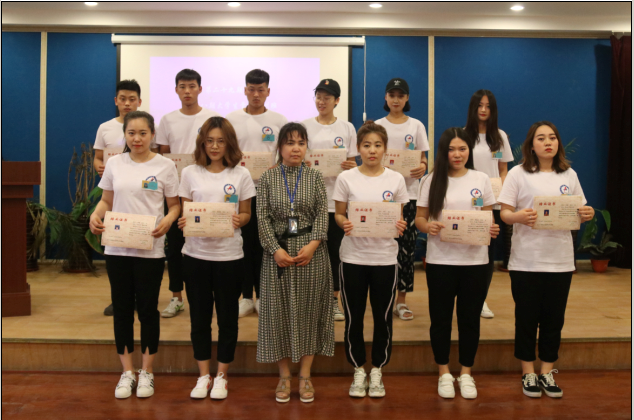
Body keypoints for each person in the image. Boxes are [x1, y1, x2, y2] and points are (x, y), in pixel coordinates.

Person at [498, 121, 594, 399]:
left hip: (560, 260)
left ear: (558, 143)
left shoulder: (569, 174)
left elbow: (579, 210)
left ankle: (547, 372)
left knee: (554, 319)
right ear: (531, 145)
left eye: (552, 137)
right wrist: (518, 216)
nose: (548, 142)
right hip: (526, 260)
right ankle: (528, 371)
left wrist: (586, 214)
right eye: (541, 138)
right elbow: (505, 213)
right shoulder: (517, 174)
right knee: (526, 318)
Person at [89, 111, 180, 399]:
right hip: (117, 248)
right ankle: (127, 372)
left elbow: (174, 205)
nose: (137, 139)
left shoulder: (165, 166)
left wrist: (168, 220)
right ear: (125, 135)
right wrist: (95, 215)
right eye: (131, 133)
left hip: (149, 250)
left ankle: (147, 372)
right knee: (122, 310)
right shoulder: (115, 163)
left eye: (142, 133)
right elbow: (106, 200)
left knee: (148, 311)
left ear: (152, 135)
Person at [415, 127, 499, 400]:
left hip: (475, 262)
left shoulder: (480, 178)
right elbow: (420, 219)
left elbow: (487, 216)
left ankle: (466, 373)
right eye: (451, 149)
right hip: (441, 261)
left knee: (469, 319)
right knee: (440, 319)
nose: (457, 154)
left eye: (462, 149)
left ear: (469, 151)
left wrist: (492, 228)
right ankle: (444, 372)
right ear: (443, 152)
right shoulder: (431, 180)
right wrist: (428, 227)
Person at [177, 117, 255, 400]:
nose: (214, 146)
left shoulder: (240, 174)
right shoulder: (190, 173)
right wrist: (184, 221)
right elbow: (185, 211)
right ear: (202, 143)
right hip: (195, 256)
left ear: (229, 143)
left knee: (227, 319)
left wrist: (238, 220)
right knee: (199, 319)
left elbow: (246, 214)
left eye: (221, 141)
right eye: (209, 140)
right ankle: (203, 376)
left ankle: (221, 375)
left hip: (229, 257)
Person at [256, 122, 334, 404]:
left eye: (301, 143)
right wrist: (274, 249)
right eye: (290, 143)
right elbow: (262, 217)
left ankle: (305, 375)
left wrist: (313, 245)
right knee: (277, 314)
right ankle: (284, 376)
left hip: (310, 255)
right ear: (280, 147)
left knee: (310, 312)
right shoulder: (267, 177)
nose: (296, 148)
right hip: (277, 256)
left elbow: (322, 214)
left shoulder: (314, 176)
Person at [333, 121, 408, 398]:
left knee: (383, 317)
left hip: (384, 259)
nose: (372, 150)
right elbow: (338, 214)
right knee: (353, 317)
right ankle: (358, 369)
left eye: (377, 145)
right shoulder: (346, 178)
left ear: (385, 148)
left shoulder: (396, 180)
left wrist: (400, 225)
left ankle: (377, 369)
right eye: (366, 145)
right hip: (353, 258)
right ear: (358, 148)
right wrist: (343, 223)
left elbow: (399, 217)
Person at [156, 69, 221, 318]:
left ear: (200, 89)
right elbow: (164, 155)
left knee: (205, 239)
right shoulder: (167, 120)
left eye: (192, 86)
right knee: (175, 245)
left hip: (204, 189)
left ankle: (208, 296)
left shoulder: (211, 119)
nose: (187, 91)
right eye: (182, 86)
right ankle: (176, 297)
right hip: (174, 191)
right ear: (176, 90)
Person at [226, 69, 288, 317]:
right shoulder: (231, 119)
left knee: (265, 244)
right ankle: (245, 296)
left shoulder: (279, 120)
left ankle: (263, 296)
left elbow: (285, 153)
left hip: (268, 191)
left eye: (260, 90)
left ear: (268, 91)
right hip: (239, 192)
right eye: (251, 89)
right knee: (244, 243)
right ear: (245, 90)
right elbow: (226, 151)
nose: (256, 94)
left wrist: (278, 165)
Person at [93, 79, 153, 317]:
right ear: (116, 101)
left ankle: (142, 300)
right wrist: (100, 167)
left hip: (142, 193)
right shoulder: (105, 127)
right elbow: (98, 157)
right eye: (122, 99)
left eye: (132, 99)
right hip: (115, 191)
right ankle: (119, 300)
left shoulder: (146, 126)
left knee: (142, 255)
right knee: (118, 252)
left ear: (139, 101)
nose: (127, 103)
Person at [301, 78, 358, 322]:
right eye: (318, 97)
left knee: (335, 252)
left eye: (327, 97)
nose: (321, 101)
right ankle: (310, 301)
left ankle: (334, 300)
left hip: (337, 202)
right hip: (308, 201)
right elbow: (295, 156)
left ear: (337, 100)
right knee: (308, 251)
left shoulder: (347, 128)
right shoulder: (303, 126)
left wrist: (350, 165)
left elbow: (354, 162)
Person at [376, 78, 429, 321]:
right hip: (380, 196)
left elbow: (423, 158)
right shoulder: (377, 125)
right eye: (392, 95)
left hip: (409, 196)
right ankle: (382, 298)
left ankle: (401, 301)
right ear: (386, 98)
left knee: (406, 250)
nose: (396, 99)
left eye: (400, 95)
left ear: (406, 98)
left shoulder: (416, 125)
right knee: (381, 246)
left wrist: (422, 166)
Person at [465, 89, 514, 319]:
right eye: (480, 105)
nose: (484, 110)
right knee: (469, 250)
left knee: (487, 253)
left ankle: (480, 299)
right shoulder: (464, 135)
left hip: (492, 203)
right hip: (468, 202)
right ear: (473, 108)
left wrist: (501, 192)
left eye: (488, 106)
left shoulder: (499, 136)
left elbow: (503, 170)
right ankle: (466, 297)